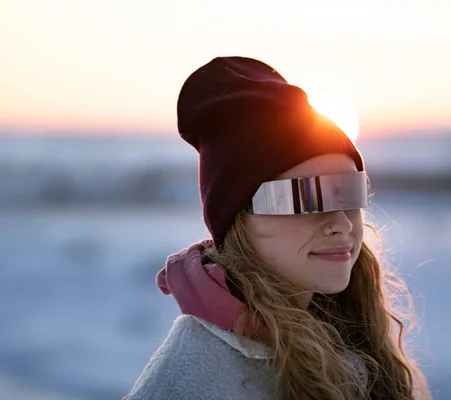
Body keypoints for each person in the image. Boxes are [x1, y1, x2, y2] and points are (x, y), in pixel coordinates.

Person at [125, 56, 430, 400]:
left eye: (349, 193)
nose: (341, 224)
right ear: (238, 218)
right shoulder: (198, 376)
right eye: (304, 198)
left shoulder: (348, 335)